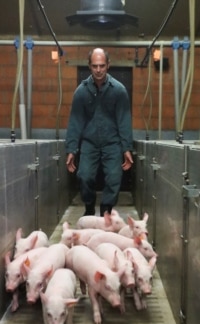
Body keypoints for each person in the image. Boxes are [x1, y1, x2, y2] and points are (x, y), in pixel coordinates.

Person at [65, 47, 133, 216]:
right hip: (90, 142)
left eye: (102, 65)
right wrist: (71, 149)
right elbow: (75, 122)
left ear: (108, 65)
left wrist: (126, 148)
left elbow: (124, 121)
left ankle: (106, 211)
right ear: (89, 66)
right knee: (84, 175)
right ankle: (89, 207)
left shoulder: (119, 90)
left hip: (112, 142)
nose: (98, 70)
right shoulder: (81, 92)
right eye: (95, 66)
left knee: (114, 177)